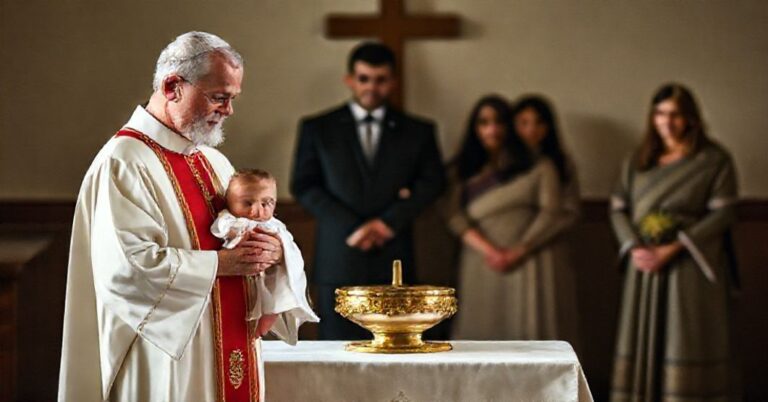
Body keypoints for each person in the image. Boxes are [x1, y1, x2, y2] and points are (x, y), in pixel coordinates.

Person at [58, 32, 299, 402]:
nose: (228, 110)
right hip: (167, 353)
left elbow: (248, 230)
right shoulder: (124, 161)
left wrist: (272, 249)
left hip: (228, 336)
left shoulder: (212, 160)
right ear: (173, 86)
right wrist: (221, 264)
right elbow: (127, 269)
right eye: (219, 97)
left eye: (232, 98)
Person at [290, 42, 445, 340]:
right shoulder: (317, 128)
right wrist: (353, 226)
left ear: (392, 81)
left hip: (395, 255)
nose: (371, 87)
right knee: (335, 351)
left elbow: (433, 183)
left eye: (380, 79)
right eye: (364, 79)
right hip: (338, 255)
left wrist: (387, 223)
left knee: (397, 350)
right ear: (350, 79)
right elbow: (303, 185)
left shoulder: (419, 131)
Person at [609, 83, 739, 402]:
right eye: (660, 113)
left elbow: (724, 214)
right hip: (644, 267)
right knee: (641, 337)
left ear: (691, 119)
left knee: (684, 337)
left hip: (688, 266)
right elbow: (617, 209)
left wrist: (674, 247)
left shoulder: (713, 160)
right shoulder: (638, 161)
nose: (667, 121)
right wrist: (635, 247)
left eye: (676, 114)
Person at [444, 95, 580, 344]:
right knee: (479, 330)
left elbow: (553, 211)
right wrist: (490, 251)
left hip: (526, 260)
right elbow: (453, 216)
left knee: (525, 330)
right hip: (479, 259)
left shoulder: (538, 165)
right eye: (483, 123)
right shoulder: (460, 169)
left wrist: (518, 251)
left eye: (499, 122)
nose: (492, 130)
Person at [211, 168, 319, 343]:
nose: (257, 211)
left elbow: (288, 244)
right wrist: (239, 235)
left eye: (266, 203)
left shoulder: (274, 224)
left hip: (270, 271)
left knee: (281, 287)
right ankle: (258, 327)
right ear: (229, 202)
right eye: (247, 203)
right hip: (241, 272)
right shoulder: (231, 219)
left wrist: (281, 251)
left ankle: (269, 319)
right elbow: (220, 229)